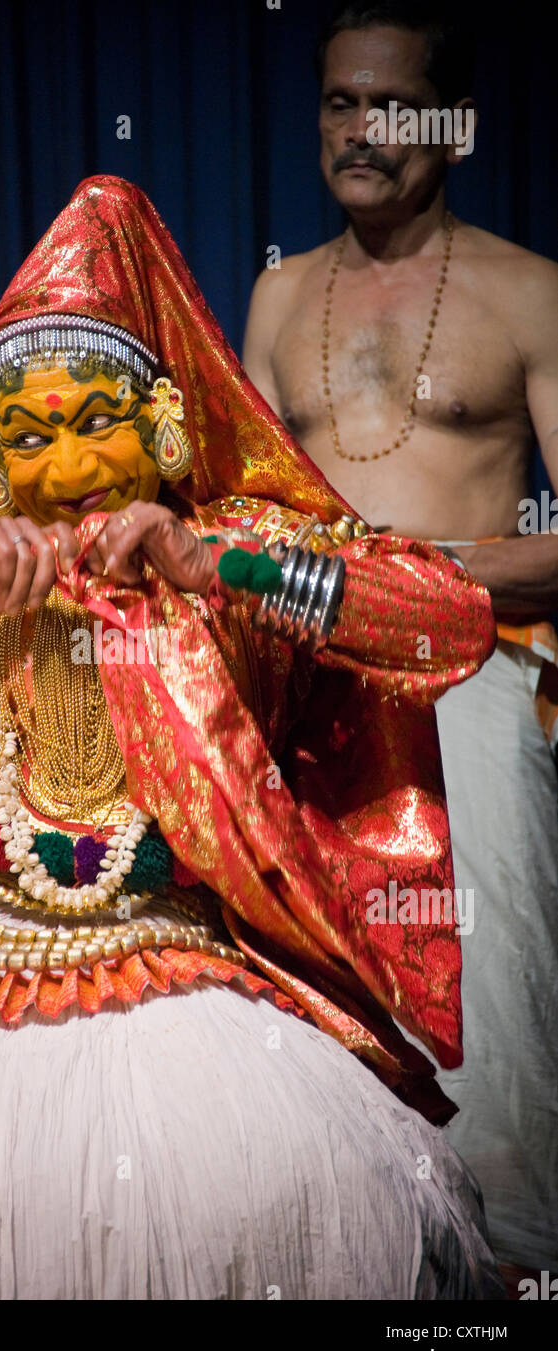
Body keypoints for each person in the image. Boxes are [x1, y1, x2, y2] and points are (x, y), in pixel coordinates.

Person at [0, 175, 502, 1300]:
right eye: (28, 437)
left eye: (94, 425)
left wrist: (223, 570)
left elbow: (451, 624)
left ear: (164, 426)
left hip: (186, 988)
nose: (67, 475)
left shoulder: (223, 557)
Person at [242, 1, 558, 1282]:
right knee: (315, 1019)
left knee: (497, 1014)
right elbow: (238, 520)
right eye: (336, 102)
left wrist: (417, 577)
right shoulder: (274, 295)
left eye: (388, 104)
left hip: (472, 679)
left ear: (454, 125)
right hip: (309, 698)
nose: (357, 132)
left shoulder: (529, 291)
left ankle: (514, 1285)